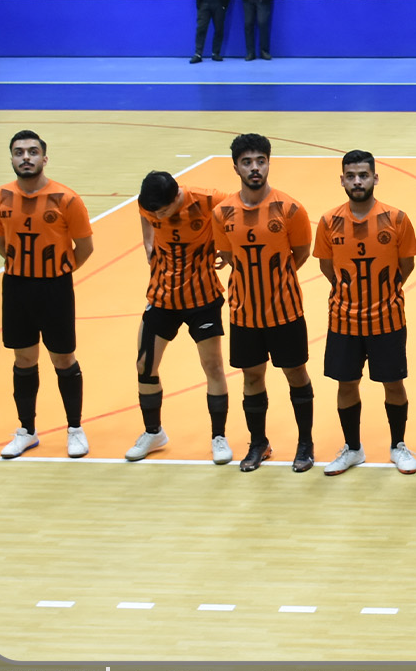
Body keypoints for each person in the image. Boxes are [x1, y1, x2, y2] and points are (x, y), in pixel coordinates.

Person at [210, 134, 315, 472]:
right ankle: (259, 443)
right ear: (236, 167)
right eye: (247, 162)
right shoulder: (222, 212)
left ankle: (305, 443)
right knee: (252, 378)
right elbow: (228, 255)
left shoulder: (290, 208)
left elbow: (301, 253)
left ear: (269, 163)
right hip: (244, 314)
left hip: (286, 311)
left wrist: (276, 280)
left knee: (295, 373)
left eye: (260, 161)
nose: (254, 168)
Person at [312, 151, 416, 475]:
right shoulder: (329, 221)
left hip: (387, 319)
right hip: (343, 321)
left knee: (393, 384)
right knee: (346, 385)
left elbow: (406, 264)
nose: (357, 181)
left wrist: (382, 293)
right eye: (351, 176)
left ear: (375, 177)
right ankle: (353, 448)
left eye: (363, 175)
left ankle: (398, 445)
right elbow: (327, 267)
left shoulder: (397, 219)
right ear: (342, 180)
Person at [0, 131, 94, 459]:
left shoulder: (66, 199)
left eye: (33, 152)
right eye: (19, 152)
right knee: (23, 359)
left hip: (55, 288)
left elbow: (85, 247)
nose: (26, 157)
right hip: (16, 287)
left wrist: (58, 272)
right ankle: (27, 431)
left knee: (63, 358)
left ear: (44, 158)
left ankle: (75, 428)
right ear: (11, 158)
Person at [126, 170, 228, 463]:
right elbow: (145, 215)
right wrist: (148, 243)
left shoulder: (209, 199)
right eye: (154, 212)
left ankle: (219, 437)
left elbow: (237, 212)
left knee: (213, 366)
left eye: (163, 211)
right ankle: (153, 432)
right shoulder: (148, 204)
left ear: (177, 198)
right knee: (145, 365)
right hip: (162, 297)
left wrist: (226, 247)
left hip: (203, 298)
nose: (158, 216)